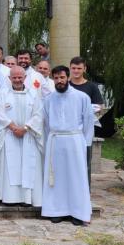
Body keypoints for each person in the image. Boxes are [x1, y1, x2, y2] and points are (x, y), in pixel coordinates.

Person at [41, 66, 94, 225]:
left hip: (75, 140)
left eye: (62, 77)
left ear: (68, 77)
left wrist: (85, 143)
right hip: (55, 140)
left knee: (76, 176)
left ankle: (78, 212)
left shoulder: (82, 97)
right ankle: (57, 210)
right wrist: (47, 141)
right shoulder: (48, 99)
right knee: (56, 177)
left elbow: (88, 122)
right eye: (56, 78)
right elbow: (45, 123)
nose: (59, 81)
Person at [0, 66, 44, 206]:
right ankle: (10, 198)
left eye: (19, 77)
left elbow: (38, 114)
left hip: (28, 135)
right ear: (9, 78)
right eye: (14, 77)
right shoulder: (2, 93)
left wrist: (25, 128)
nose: (17, 80)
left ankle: (27, 198)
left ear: (25, 78)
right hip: (9, 134)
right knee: (10, 167)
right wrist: (12, 127)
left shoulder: (34, 94)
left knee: (29, 165)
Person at [69, 56, 104, 186]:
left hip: (85, 130)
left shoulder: (91, 87)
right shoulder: (65, 85)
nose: (76, 71)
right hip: (67, 130)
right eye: (74, 68)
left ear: (84, 68)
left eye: (79, 68)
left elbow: (99, 106)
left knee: (84, 160)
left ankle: (85, 191)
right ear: (70, 68)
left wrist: (83, 110)